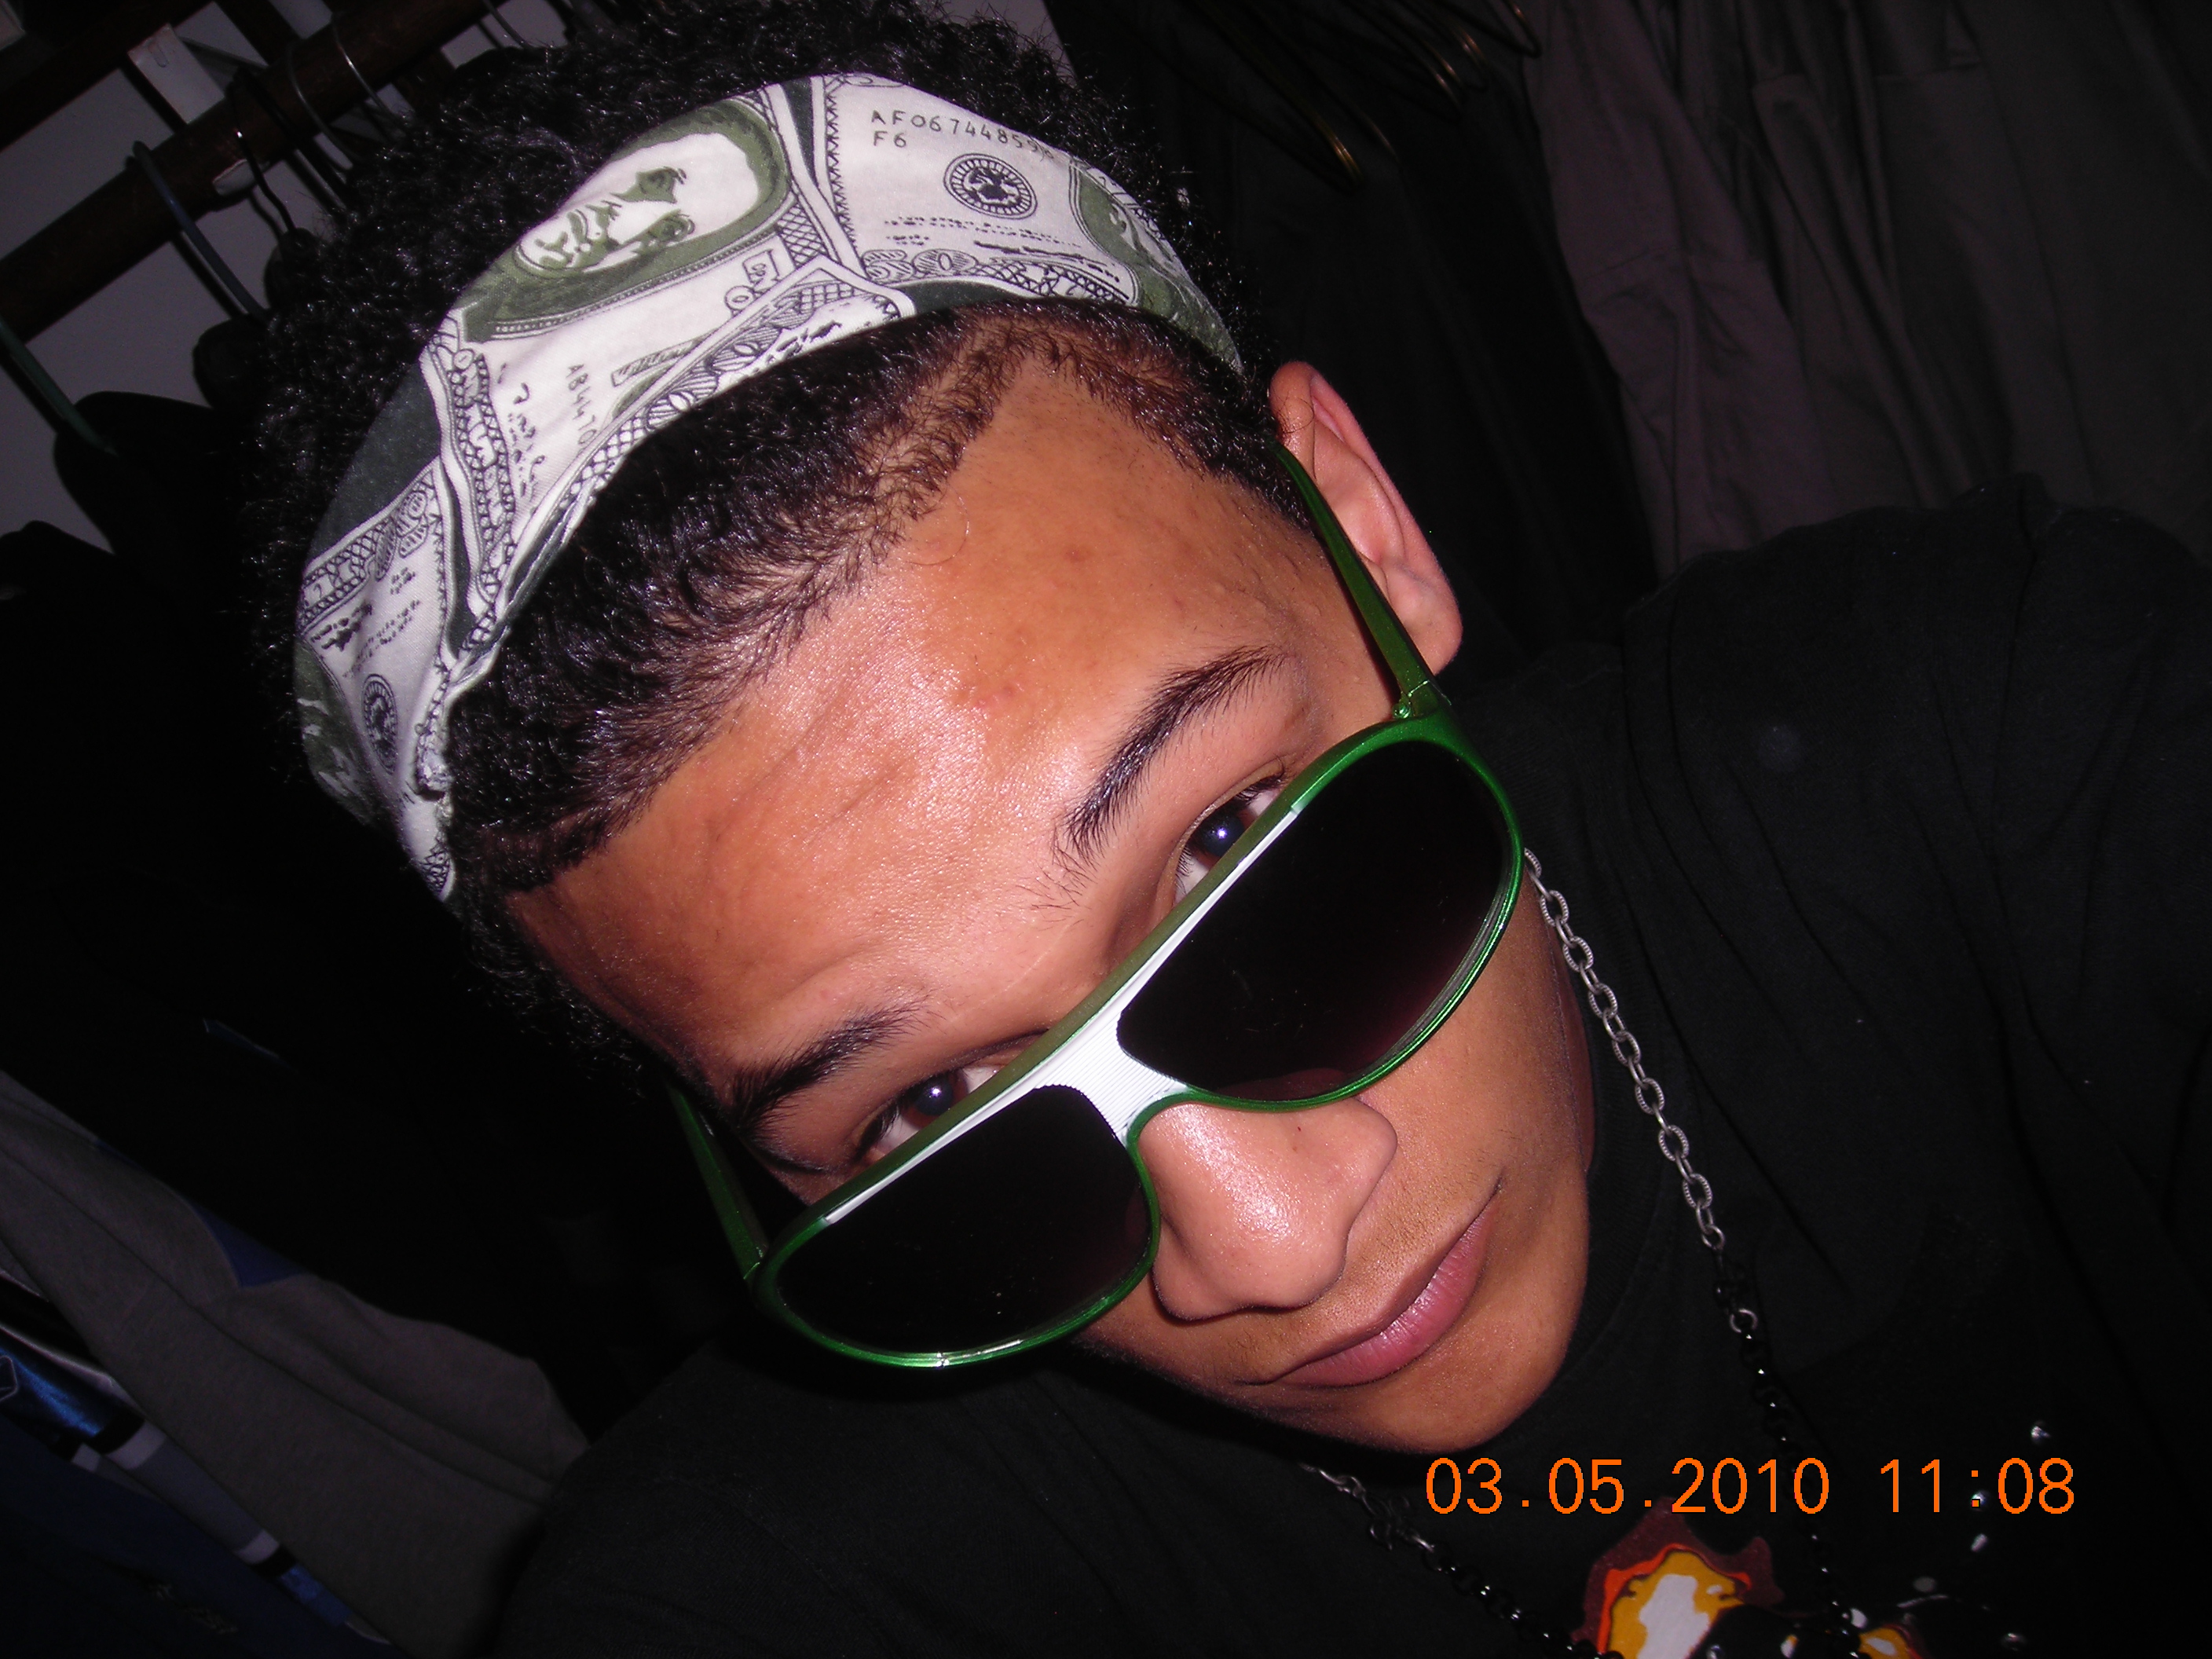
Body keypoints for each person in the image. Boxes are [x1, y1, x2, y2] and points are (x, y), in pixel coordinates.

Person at [251, 2, 2210, 1654]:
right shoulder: (790, 1586)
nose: (1263, 1248)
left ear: (1362, 528)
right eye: (931, 1122)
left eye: (1234, 854)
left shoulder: (1983, 733)